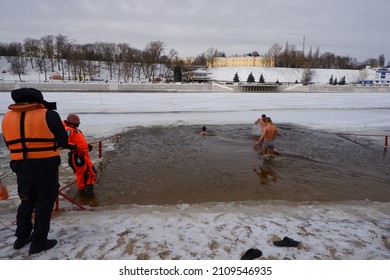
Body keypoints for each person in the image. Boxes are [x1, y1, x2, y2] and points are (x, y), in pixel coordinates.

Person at [1, 88, 68, 255]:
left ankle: (21, 238)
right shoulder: (49, 114)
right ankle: (39, 240)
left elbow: (9, 144)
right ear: (38, 100)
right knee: (44, 204)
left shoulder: (7, 117)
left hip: (21, 167)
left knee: (26, 202)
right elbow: (63, 140)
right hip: (45, 166)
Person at [63, 114, 97, 198]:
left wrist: (86, 146)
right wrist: (76, 148)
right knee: (85, 174)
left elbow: (77, 141)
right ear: (73, 120)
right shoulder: (69, 130)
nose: (79, 122)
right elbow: (64, 143)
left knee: (89, 173)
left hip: (83, 154)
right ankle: (86, 193)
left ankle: (84, 191)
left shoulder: (75, 130)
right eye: (78, 120)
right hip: (77, 155)